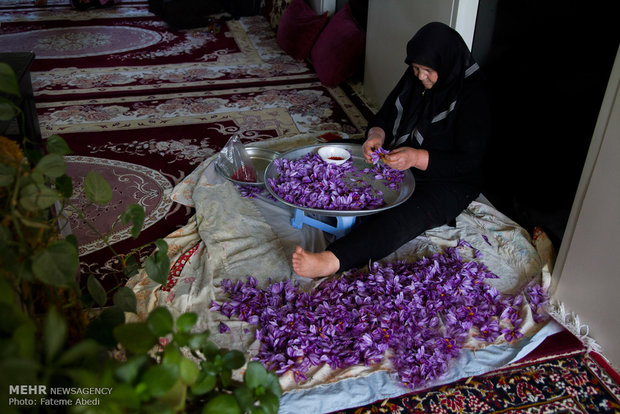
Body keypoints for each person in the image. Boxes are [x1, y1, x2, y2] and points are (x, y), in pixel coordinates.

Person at [292, 22, 491, 278]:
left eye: (427, 70)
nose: (420, 76)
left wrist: (417, 158)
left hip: (449, 178)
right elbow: (385, 115)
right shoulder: (417, 78)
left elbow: (468, 160)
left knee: (405, 217)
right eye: (416, 68)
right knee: (335, 157)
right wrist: (376, 135)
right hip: (402, 155)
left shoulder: (474, 94)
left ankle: (332, 260)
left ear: (448, 64)